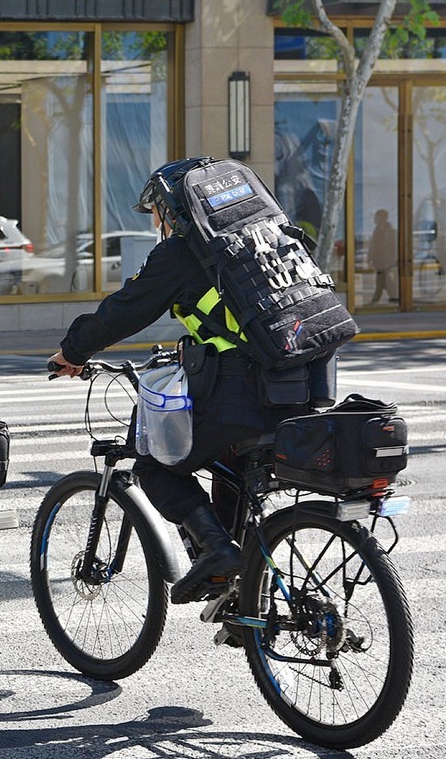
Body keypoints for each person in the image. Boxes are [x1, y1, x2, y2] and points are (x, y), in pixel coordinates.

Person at [48, 158, 316, 606]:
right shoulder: (270, 241)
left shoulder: (188, 251)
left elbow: (126, 309)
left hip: (244, 393)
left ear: (174, 211)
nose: (155, 221)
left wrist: (73, 353)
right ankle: (244, 597)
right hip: (304, 387)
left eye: (157, 211)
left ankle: (216, 550)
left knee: (155, 463)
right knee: (230, 466)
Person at [367, 208, 398, 305]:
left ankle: (375, 302)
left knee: (381, 283)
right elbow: (373, 245)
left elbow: (394, 247)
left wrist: (394, 261)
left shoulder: (391, 231)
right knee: (384, 283)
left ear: (384, 218)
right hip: (379, 262)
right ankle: (395, 298)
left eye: (377, 217)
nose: (375, 219)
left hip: (387, 262)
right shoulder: (376, 231)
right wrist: (370, 257)